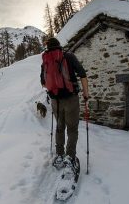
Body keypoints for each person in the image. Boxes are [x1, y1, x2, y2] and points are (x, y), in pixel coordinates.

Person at [40, 37, 89, 174]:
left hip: (56, 101)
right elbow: (82, 74)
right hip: (71, 99)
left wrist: (54, 86)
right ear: (59, 46)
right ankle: (70, 157)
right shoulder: (68, 56)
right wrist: (86, 94)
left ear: (48, 48)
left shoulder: (45, 61)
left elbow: (43, 83)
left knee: (60, 128)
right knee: (72, 129)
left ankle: (59, 155)